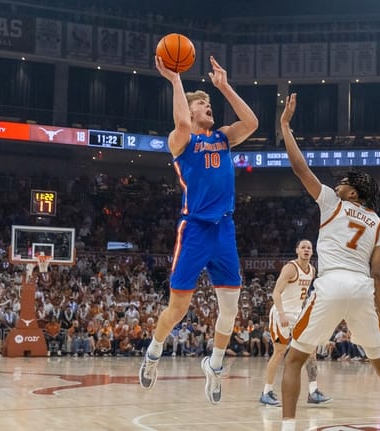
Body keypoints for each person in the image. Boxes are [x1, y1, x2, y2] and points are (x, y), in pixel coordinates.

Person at [278, 93, 380, 431]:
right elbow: (379, 274)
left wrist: (285, 126)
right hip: (361, 289)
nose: (338, 184)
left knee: (294, 359)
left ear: (354, 193)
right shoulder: (378, 224)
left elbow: (300, 168)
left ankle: (287, 427)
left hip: (331, 284)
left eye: (343, 183)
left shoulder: (332, 202)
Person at [139, 54, 259, 406]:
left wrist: (225, 87)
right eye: (202, 104)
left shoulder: (223, 138)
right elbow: (180, 121)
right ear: (191, 112)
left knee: (231, 309)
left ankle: (215, 364)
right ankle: (154, 351)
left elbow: (251, 122)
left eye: (209, 103)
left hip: (224, 229)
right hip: (194, 229)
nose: (209, 107)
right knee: (177, 309)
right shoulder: (181, 141)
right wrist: (176, 79)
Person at [260, 239, 331, 407]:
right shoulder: (290, 268)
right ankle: (266, 392)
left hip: (298, 314)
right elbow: (276, 293)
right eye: (303, 247)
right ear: (297, 250)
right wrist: (282, 314)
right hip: (281, 313)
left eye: (309, 248)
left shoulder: (312, 270)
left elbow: (301, 294)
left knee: (311, 350)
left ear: (312, 252)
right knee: (279, 352)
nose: (306, 250)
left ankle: (313, 392)